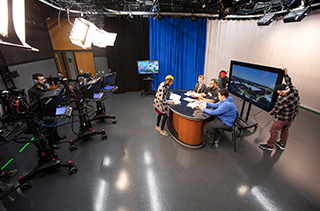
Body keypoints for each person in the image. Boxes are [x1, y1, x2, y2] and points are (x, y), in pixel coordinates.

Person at [259, 67, 300, 151]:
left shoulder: (282, 100)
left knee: (273, 131)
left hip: (282, 119)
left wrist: (270, 112)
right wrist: (286, 75)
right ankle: (282, 144)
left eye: (278, 91)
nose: (277, 92)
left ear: (282, 92)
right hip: (291, 118)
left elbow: (275, 111)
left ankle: (270, 145)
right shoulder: (294, 91)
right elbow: (289, 82)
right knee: (285, 131)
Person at [28, 73, 65, 149]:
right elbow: (33, 104)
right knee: (48, 128)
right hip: (42, 112)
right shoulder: (32, 91)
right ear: (36, 81)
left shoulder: (44, 87)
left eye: (43, 79)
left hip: (49, 109)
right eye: (41, 80)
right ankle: (51, 143)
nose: (43, 81)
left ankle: (56, 137)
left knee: (54, 124)